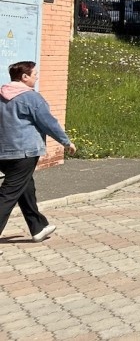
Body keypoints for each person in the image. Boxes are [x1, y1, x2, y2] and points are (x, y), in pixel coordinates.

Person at [0, 61, 76, 250]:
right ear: (24, 77)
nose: (37, 76)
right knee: (8, 195)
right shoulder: (31, 98)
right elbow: (48, 123)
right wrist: (66, 142)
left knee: (26, 187)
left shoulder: (1, 95)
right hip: (24, 153)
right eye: (35, 74)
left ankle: (38, 227)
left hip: (3, 153)